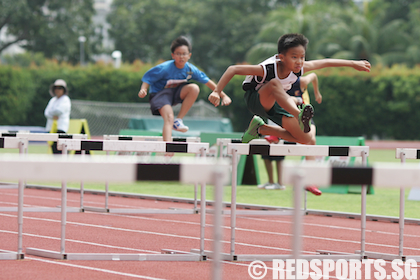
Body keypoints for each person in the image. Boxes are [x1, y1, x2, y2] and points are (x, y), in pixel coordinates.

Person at [208, 33, 370, 193]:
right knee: (274, 84)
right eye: (294, 57)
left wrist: (353, 64)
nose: (299, 61)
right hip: (255, 99)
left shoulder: (300, 68)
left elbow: (325, 62)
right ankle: (299, 114)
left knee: (305, 138)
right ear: (281, 57)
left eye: (302, 57)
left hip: (274, 105)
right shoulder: (268, 69)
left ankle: (262, 129)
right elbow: (233, 69)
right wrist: (217, 91)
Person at [138, 36, 231, 142]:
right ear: (173, 55)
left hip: (175, 94)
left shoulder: (191, 70)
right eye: (178, 53)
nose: (181, 57)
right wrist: (144, 89)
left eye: (184, 54)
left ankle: (179, 120)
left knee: (194, 88)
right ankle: (168, 148)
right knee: (169, 118)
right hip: (160, 94)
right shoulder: (165, 68)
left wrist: (223, 95)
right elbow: (148, 78)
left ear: (189, 55)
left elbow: (208, 82)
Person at [263, 73, 323, 194]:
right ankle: (275, 133)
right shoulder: (274, 83)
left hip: (303, 115)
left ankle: (310, 181)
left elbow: (314, 76)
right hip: (286, 117)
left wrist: (317, 92)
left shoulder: (301, 81)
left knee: (311, 140)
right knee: (309, 139)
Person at [44, 79, 71, 154]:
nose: (57, 90)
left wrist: (51, 113)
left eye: (60, 88)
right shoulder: (52, 100)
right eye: (56, 88)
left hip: (61, 128)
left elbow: (59, 111)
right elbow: (46, 113)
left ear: (64, 89)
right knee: (54, 150)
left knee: (62, 151)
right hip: (51, 128)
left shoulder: (65, 99)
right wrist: (52, 115)